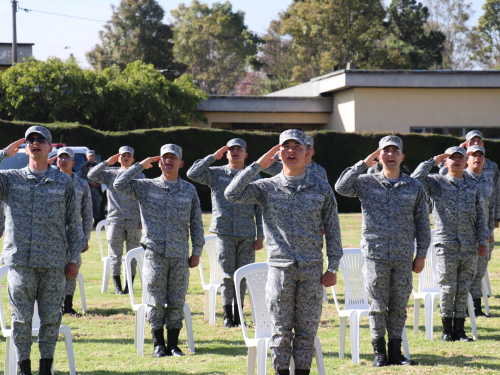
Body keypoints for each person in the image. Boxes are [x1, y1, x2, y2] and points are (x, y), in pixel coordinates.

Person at [224, 129, 343, 375]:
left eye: (297, 147)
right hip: (280, 270)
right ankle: (280, 372)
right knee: (280, 329)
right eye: (285, 147)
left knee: (307, 330)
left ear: (306, 151)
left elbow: (333, 229)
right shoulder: (267, 187)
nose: (291, 152)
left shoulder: (321, 188)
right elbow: (232, 193)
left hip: (311, 269)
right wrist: (257, 165)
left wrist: (333, 267)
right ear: (278, 153)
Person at [335, 135, 430, 367]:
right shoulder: (366, 182)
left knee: (398, 305)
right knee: (377, 305)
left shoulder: (414, 186)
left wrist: (422, 254)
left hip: (403, 255)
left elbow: (422, 223)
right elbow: (341, 186)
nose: (390, 155)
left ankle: (395, 352)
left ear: (402, 156)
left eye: (394, 151)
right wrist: (364, 164)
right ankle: (379, 353)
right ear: (378, 155)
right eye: (385, 151)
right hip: (375, 254)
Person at [0, 126, 85, 375]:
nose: (35, 143)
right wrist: (4, 153)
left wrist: (74, 259)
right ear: (26, 148)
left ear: (50, 148)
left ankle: (45, 367)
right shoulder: (10, 178)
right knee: (21, 319)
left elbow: (74, 223)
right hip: (21, 262)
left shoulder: (63, 182)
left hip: (53, 263)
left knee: (50, 320)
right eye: (30, 140)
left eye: (41, 140)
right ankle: (23, 367)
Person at [114, 143, 205, 357]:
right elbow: (119, 184)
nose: (168, 160)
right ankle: (158, 344)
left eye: (173, 157)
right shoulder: (147, 187)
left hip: (180, 254)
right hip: (154, 253)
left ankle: (173, 344)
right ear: (159, 161)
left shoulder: (189, 190)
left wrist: (197, 251)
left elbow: (197, 223)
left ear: (181, 163)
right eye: (165, 157)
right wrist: (139, 166)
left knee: (176, 300)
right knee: (154, 300)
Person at [411, 146, 489, 342]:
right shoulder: (437, 183)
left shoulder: (473, 186)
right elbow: (414, 179)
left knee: (463, 287)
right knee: (447, 287)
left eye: (459, 158)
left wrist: (482, 240)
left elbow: (481, 215)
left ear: (465, 162)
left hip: (469, 244)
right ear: (446, 163)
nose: (455, 161)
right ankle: (447, 330)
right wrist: (433, 160)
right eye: (451, 158)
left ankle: (460, 329)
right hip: (446, 244)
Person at [186, 138, 264, 328]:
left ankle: (239, 313)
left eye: (239, 149)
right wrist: (213, 157)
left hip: (246, 233)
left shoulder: (254, 176)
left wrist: (261, 235)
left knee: (243, 274)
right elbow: (192, 173)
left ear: (246, 154)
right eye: (231, 149)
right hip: (223, 231)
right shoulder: (216, 173)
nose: (235, 152)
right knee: (227, 274)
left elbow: (260, 209)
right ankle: (228, 314)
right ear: (226, 153)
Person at [88, 146, 144, 295]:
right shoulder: (110, 174)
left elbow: (144, 200)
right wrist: (107, 162)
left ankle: (129, 286)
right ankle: (118, 287)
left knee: (133, 254)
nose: (125, 157)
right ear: (118, 158)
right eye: (123, 155)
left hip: (134, 219)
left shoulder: (140, 175)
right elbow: (91, 175)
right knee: (115, 254)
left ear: (133, 159)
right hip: (115, 220)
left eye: (129, 155)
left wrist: (142, 219)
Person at [56, 147, 93, 317]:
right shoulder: (50, 180)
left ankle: (68, 305)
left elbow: (87, 213)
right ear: (56, 161)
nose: (63, 160)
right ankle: (53, 304)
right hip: (53, 232)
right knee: (53, 269)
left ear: (73, 162)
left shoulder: (82, 184)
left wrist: (85, 237)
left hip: (74, 233)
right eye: (60, 157)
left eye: (67, 157)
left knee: (72, 268)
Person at [464, 145, 496, 317]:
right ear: (466, 159)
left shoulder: (488, 181)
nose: (477, 158)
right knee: (466, 273)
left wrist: (489, 232)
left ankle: (476, 308)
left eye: (480, 155)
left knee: (479, 272)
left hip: (483, 234)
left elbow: (490, 208)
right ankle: (462, 306)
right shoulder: (461, 178)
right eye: (473, 155)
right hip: (465, 233)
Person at [262, 135, 328, 182]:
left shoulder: (320, 170)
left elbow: (325, 190)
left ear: (313, 152)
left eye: (308, 147)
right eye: (299, 147)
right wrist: (281, 152)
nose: (305, 150)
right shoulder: (284, 166)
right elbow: (264, 166)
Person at [79, 150, 102, 226]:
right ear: (86, 156)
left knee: (97, 204)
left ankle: (97, 220)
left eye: (92, 156)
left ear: (94, 157)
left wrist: (96, 182)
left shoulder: (97, 165)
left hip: (96, 189)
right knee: (84, 205)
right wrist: (90, 182)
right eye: (89, 155)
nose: (91, 157)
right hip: (86, 188)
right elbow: (80, 177)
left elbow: (101, 175)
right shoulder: (83, 166)